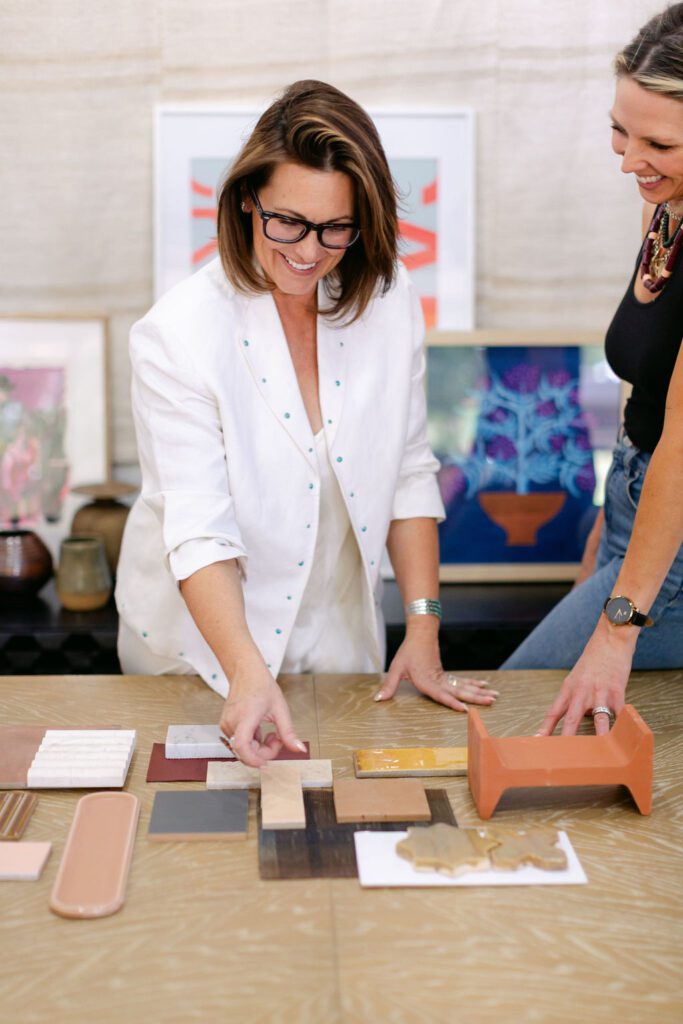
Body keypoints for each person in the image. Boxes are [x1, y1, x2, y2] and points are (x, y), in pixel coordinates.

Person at [116, 80, 497, 766]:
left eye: (334, 229)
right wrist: (246, 670)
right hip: (201, 654)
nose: (307, 251)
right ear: (243, 201)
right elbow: (199, 528)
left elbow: (409, 468)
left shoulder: (387, 296)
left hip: (340, 639)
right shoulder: (177, 334)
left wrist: (422, 628)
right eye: (285, 221)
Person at [502, 5, 683, 736]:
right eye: (619, 129)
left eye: (657, 142)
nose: (628, 159)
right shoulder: (666, 206)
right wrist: (606, 529)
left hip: (672, 541)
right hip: (636, 507)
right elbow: (644, 379)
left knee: (520, 716)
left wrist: (614, 628)